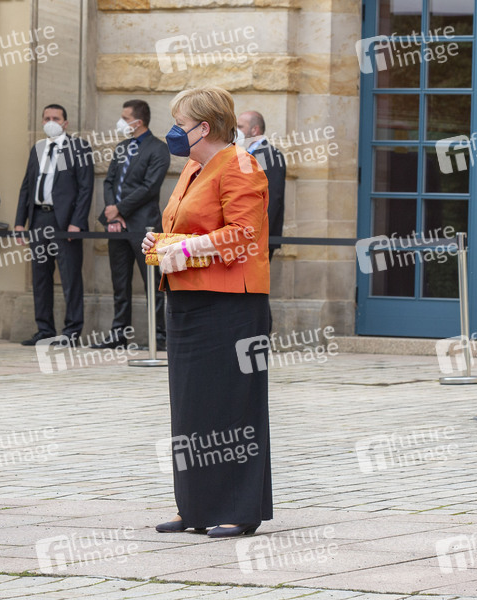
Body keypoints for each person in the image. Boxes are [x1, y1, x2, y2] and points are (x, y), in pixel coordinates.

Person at [142, 87, 272, 538]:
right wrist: (160, 243)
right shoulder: (193, 167)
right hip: (187, 299)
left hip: (230, 303)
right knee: (191, 407)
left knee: (232, 407)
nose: (174, 131)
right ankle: (195, 506)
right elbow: (186, 229)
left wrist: (182, 249)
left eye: (180, 123)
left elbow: (244, 233)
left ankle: (239, 508)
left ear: (204, 126)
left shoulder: (241, 164)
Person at [15, 104, 93, 347]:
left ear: (65, 123)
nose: (51, 122)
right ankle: (44, 330)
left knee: (70, 277)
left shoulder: (78, 148)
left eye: (56, 118)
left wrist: (77, 223)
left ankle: (71, 331)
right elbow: (27, 186)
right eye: (47, 118)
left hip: (65, 222)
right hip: (38, 219)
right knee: (40, 277)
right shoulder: (38, 148)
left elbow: (85, 188)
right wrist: (20, 222)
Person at [96, 99, 170, 350]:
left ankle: (159, 336)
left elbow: (150, 188)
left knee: (153, 283)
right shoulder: (122, 147)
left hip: (144, 226)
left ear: (138, 122)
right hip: (117, 226)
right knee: (120, 283)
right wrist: (113, 212)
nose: (121, 122)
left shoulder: (158, 149)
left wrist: (120, 208)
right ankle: (119, 335)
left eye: (125, 118)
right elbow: (109, 181)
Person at [237, 111, 285, 257]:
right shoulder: (247, 154)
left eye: (240, 127)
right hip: (245, 235)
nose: (236, 131)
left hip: (258, 238)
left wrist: (259, 236)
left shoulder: (270, 155)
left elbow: (272, 197)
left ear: (255, 130)